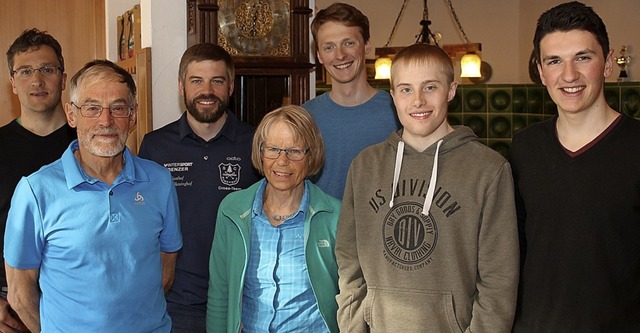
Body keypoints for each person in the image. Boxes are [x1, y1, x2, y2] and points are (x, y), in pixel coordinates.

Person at [336, 43, 519, 332]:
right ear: (393, 95)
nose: (418, 100)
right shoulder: (365, 166)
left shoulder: (488, 169)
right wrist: (354, 325)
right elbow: (348, 258)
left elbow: (499, 278)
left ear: (451, 90)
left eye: (430, 87)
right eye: (406, 89)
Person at [4, 60, 182, 332]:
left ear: (133, 116)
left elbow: (165, 271)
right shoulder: (36, 191)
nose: (106, 121)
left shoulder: (159, 181)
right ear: (72, 115)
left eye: (118, 108)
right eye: (92, 108)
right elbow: (20, 292)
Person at [509, 2, 640, 332]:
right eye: (555, 61)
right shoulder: (525, 147)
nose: (569, 75)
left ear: (608, 63)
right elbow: (513, 249)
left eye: (583, 57)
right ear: (541, 72)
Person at [138, 43, 259, 332]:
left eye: (217, 81)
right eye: (197, 81)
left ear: (230, 87)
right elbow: (141, 222)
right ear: (182, 86)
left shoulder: (256, 143)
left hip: (242, 299)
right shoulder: (155, 146)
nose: (207, 91)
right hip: (174, 303)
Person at [207, 105, 340, 333]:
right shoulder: (232, 210)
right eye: (273, 149)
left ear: (312, 155)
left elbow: (351, 299)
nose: (282, 161)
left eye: (295, 151)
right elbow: (220, 294)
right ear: (260, 152)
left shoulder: (335, 217)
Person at [0, 28, 76, 333]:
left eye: (47, 69)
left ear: (63, 76)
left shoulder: (89, 144)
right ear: (12, 82)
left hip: (79, 301)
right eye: (26, 71)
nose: (37, 80)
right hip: (9, 311)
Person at [303, 2, 399, 199]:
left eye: (349, 43)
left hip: (381, 228)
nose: (340, 55)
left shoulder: (398, 111)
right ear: (319, 56)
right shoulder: (305, 117)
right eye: (329, 47)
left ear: (367, 46)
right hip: (323, 229)